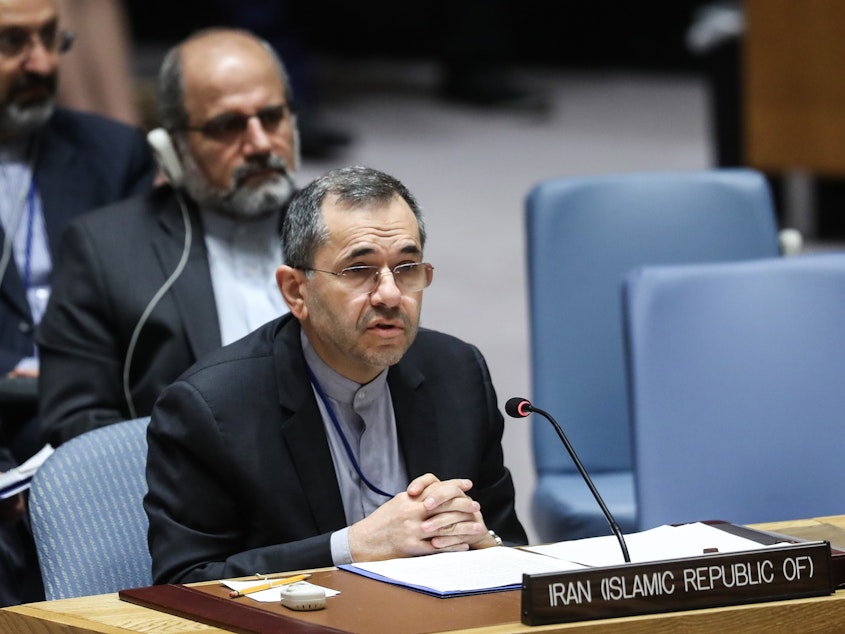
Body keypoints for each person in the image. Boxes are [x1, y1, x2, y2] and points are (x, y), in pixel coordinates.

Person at [144, 165, 526, 583]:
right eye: (358, 270)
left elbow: (509, 543)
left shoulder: (458, 374)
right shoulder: (213, 408)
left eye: (407, 267)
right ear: (295, 290)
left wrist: (482, 542)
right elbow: (184, 583)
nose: (390, 295)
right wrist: (350, 548)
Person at [36, 27, 299, 447]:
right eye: (227, 126)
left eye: (271, 117)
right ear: (172, 149)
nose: (259, 143)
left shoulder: (341, 225)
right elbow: (77, 422)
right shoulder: (105, 250)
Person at [0, 0, 156, 607]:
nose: (41, 62)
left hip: (86, 407)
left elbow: (141, 311)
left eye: (49, 38)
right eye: (14, 43)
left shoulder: (113, 154)